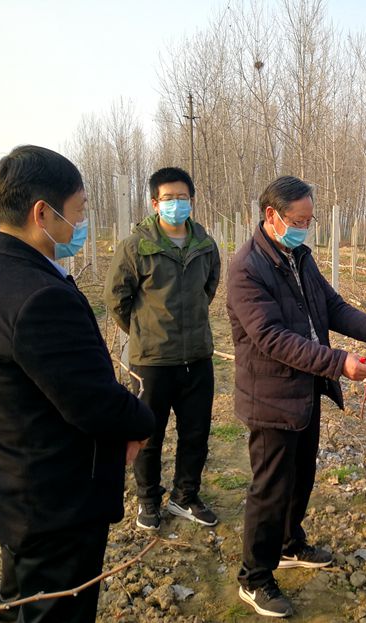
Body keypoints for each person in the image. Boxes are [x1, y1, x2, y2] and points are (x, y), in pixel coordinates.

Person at [0, 145, 155, 623]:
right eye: (78, 210)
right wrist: (142, 422)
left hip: (17, 491)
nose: (81, 223)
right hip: (55, 506)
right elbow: (92, 401)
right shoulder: (37, 296)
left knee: (20, 605)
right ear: (42, 213)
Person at [226, 176, 366, 618]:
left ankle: (288, 543)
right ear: (271, 216)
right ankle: (254, 577)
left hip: (304, 389)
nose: (304, 228)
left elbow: (330, 305)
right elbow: (272, 337)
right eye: (297, 221)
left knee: (301, 474)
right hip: (270, 395)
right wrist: (339, 363)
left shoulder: (299, 256)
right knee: (270, 488)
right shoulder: (247, 268)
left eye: (308, 221)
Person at [105, 167, 221, 531]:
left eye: (182, 198)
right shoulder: (136, 246)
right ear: (155, 203)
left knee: (196, 433)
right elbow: (116, 299)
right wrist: (144, 331)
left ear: (192, 201)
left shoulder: (205, 244)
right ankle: (148, 499)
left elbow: (209, 288)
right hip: (152, 360)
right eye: (168, 199)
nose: (176, 204)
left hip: (197, 356)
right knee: (148, 434)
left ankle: (185, 496)